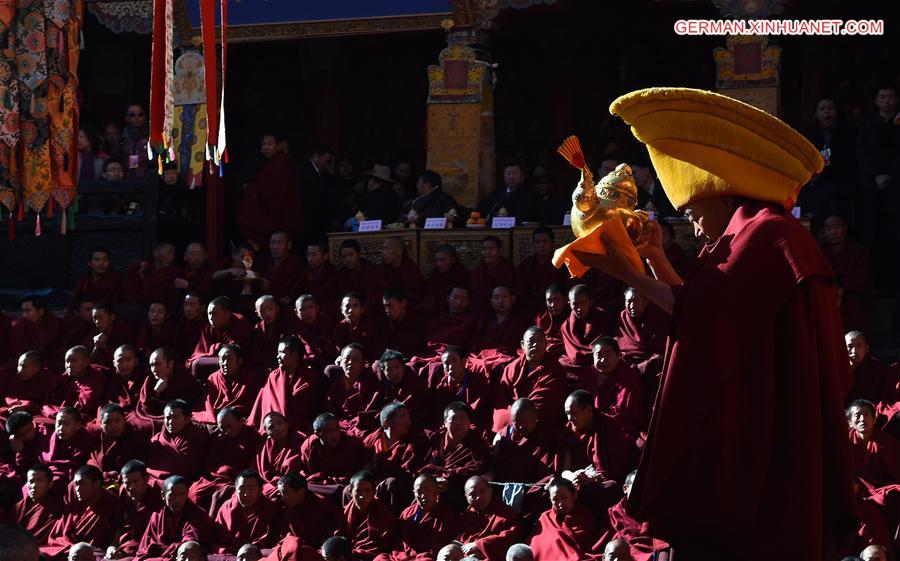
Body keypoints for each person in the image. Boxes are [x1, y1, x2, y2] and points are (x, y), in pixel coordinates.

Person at [578, 87, 858, 558]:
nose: (692, 225)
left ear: (721, 196)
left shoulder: (768, 235)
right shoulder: (744, 233)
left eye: (690, 213)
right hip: (752, 402)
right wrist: (653, 259)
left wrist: (626, 273)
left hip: (767, 422)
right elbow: (701, 306)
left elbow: (706, 318)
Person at [799, 97, 858, 229]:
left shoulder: (848, 134)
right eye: (822, 109)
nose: (827, 112)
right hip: (816, 185)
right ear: (816, 114)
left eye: (830, 108)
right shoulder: (808, 134)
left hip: (841, 186)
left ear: (836, 112)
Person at [42, 465, 123, 559]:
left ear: (96, 484)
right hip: (69, 551)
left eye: (82, 483)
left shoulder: (111, 504)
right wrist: (75, 548)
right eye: (76, 484)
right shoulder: (73, 508)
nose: (77, 489)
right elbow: (55, 538)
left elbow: (117, 532)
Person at [494, 327, 567, 431]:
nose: (535, 344)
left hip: (538, 420)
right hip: (512, 418)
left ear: (546, 343)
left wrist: (525, 416)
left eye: (540, 340)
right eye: (531, 341)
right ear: (523, 345)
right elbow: (502, 400)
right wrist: (514, 418)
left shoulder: (555, 369)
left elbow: (547, 401)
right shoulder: (512, 368)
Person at [238, 132, 303, 249]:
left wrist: (251, 188)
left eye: (269, 144)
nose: (265, 147)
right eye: (263, 144)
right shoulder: (270, 163)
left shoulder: (281, 164)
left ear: (278, 146)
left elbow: (275, 192)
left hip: (276, 217)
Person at [188, 408, 262, 509]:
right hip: (211, 480)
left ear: (241, 421)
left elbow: (255, 466)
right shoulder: (217, 434)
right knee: (194, 494)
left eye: (230, 426)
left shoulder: (253, 438)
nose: (226, 431)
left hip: (234, 482)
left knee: (221, 497)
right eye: (222, 428)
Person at [375, 473, 457, 561]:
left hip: (427, 555)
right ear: (414, 493)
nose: (423, 496)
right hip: (406, 555)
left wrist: (420, 556)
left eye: (427, 490)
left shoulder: (445, 513)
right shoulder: (407, 513)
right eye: (419, 492)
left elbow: (441, 543)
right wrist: (409, 555)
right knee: (380, 558)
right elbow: (401, 541)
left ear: (436, 491)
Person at [248, 335, 322, 433]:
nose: (277, 356)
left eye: (281, 353)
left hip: (297, 426)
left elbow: (303, 407)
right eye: (277, 352)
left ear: (294, 355)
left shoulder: (309, 376)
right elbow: (266, 401)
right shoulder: (274, 376)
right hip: (271, 425)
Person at [136, 475, 213, 561]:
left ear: (187, 493)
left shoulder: (198, 515)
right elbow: (144, 550)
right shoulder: (157, 516)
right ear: (163, 495)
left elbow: (191, 547)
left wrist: (165, 550)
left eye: (182, 494)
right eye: (172, 495)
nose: (177, 499)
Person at [527, 477, 604, 561]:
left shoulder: (585, 517)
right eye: (555, 500)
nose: (560, 504)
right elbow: (536, 547)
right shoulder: (545, 519)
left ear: (574, 495)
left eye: (564, 498)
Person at [820, 214, 872, 332]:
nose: (833, 232)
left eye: (836, 227)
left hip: (851, 296)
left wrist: (842, 289)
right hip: (828, 293)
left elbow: (862, 279)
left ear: (845, 229)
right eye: (828, 228)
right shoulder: (820, 251)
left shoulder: (858, 252)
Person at [559, 285, 615, 387]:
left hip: (597, 361)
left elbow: (603, 347)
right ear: (569, 304)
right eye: (575, 304)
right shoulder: (565, 326)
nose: (579, 308)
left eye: (583, 303)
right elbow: (572, 354)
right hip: (575, 364)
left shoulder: (602, 318)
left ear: (591, 302)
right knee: (561, 363)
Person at [615, 287, 669, 394]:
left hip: (653, 366)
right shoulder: (623, 318)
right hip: (629, 367)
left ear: (646, 300)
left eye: (636, 301)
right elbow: (619, 343)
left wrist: (644, 365)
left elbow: (664, 347)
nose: (632, 306)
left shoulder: (658, 315)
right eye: (629, 301)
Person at [456, 476, 522, 561]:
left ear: (490, 490)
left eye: (482, 491)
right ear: (466, 497)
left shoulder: (505, 513)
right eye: (473, 494)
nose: (479, 497)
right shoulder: (465, 516)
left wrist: (479, 544)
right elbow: (456, 539)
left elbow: (510, 538)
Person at [213, 470, 279, 553]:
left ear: (260, 490)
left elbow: (272, 540)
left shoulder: (269, 509)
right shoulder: (227, 508)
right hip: (229, 551)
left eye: (251, 489)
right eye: (242, 488)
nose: (246, 494)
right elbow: (217, 538)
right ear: (236, 490)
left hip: (256, 553)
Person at [111, 460, 164, 559]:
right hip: (123, 548)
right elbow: (121, 525)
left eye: (135, 481)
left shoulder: (158, 494)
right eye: (127, 483)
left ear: (146, 479)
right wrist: (112, 546)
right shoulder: (124, 492)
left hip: (145, 550)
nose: (131, 487)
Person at [146, 399, 209, 482]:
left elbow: (190, 468)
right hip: (157, 480)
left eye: (176, 417)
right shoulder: (157, 440)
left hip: (181, 483)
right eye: (167, 418)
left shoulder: (196, 436)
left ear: (187, 419)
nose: (171, 422)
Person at [339, 470, 397, 560]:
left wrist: (352, 553)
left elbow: (379, 547)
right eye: (358, 491)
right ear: (350, 492)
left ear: (374, 492)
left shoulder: (384, 516)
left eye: (367, 491)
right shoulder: (343, 513)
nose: (362, 496)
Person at [276, 472, 341, 547]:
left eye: (285, 492)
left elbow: (328, 538)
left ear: (301, 491)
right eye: (280, 493)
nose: (282, 498)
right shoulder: (285, 508)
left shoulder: (322, 506)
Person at [514, 228, 569, 317]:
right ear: (533, 244)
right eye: (538, 242)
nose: (541, 245)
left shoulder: (561, 264)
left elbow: (567, 288)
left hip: (555, 306)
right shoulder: (526, 265)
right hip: (530, 307)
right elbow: (518, 289)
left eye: (545, 242)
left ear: (552, 243)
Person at [9, 464, 64, 544]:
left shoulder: (55, 509)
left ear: (50, 484)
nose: (34, 486)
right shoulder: (19, 506)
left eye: (39, 481)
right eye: (31, 481)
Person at [256, 412, 305, 497]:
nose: (277, 428)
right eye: (271, 427)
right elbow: (264, 473)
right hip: (271, 486)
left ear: (287, 423)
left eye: (279, 423)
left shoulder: (300, 439)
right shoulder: (264, 449)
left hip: (295, 485)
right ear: (266, 432)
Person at [469, 236, 516, 313]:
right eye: (484, 249)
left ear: (499, 251)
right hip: (482, 312)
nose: (487, 252)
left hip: (504, 311)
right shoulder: (476, 273)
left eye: (491, 249)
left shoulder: (509, 270)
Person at [257, 231, 305, 307]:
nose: (275, 247)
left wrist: (271, 286)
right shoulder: (265, 262)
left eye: (279, 243)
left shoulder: (296, 263)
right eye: (273, 243)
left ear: (289, 245)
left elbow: (295, 290)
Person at [421, 245, 470, 317]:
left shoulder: (461, 274)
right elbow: (430, 294)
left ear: (453, 260)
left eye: (443, 260)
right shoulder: (436, 273)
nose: (439, 264)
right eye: (437, 260)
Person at [845, 331, 892, 406]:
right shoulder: (838, 368)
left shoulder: (877, 368)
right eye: (850, 347)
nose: (854, 351)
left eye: (859, 346)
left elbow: (882, 397)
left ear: (866, 348)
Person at [376, 237, 425, 306]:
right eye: (383, 249)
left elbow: (416, 295)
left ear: (399, 251)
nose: (384, 253)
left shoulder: (411, 269)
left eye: (387, 249)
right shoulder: (381, 268)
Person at [300, 241, 342, 318]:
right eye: (308, 255)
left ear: (325, 256)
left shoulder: (332, 273)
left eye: (314, 255)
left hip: (326, 308)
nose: (309, 259)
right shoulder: (305, 271)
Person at [337, 239, 382, 310]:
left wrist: (362, 309)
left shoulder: (371, 270)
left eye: (351, 254)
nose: (348, 259)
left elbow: (373, 296)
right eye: (344, 256)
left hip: (367, 309)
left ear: (359, 254)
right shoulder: (341, 273)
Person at [382, 289, 427, 358]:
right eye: (385, 306)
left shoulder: (416, 321)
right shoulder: (386, 323)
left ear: (403, 303)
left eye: (391, 305)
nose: (387, 310)